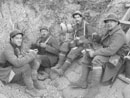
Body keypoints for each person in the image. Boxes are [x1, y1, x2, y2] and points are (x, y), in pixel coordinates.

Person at [73, 13, 127, 88]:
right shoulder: (109, 31)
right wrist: (97, 37)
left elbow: (111, 50)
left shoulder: (119, 34)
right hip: (109, 53)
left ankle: (94, 88)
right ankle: (83, 81)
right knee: (87, 55)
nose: (109, 24)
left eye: (111, 21)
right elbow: (103, 41)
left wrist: (94, 53)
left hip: (117, 57)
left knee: (97, 59)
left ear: (117, 23)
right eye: (107, 22)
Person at [0, 30, 45, 97]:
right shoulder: (8, 48)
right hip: (6, 74)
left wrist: (30, 52)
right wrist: (31, 55)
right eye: (17, 38)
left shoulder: (16, 46)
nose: (19, 40)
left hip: (11, 69)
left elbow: (21, 54)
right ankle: (30, 88)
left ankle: (34, 80)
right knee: (26, 67)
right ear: (12, 39)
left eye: (20, 38)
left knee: (34, 61)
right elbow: (17, 63)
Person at [52, 10, 95, 78]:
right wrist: (71, 40)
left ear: (81, 17)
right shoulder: (75, 26)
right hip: (76, 43)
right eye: (75, 18)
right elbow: (72, 35)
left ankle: (62, 70)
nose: (76, 19)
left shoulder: (87, 25)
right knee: (65, 44)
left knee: (73, 52)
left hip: (84, 45)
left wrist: (82, 40)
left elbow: (92, 39)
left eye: (78, 17)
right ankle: (59, 64)